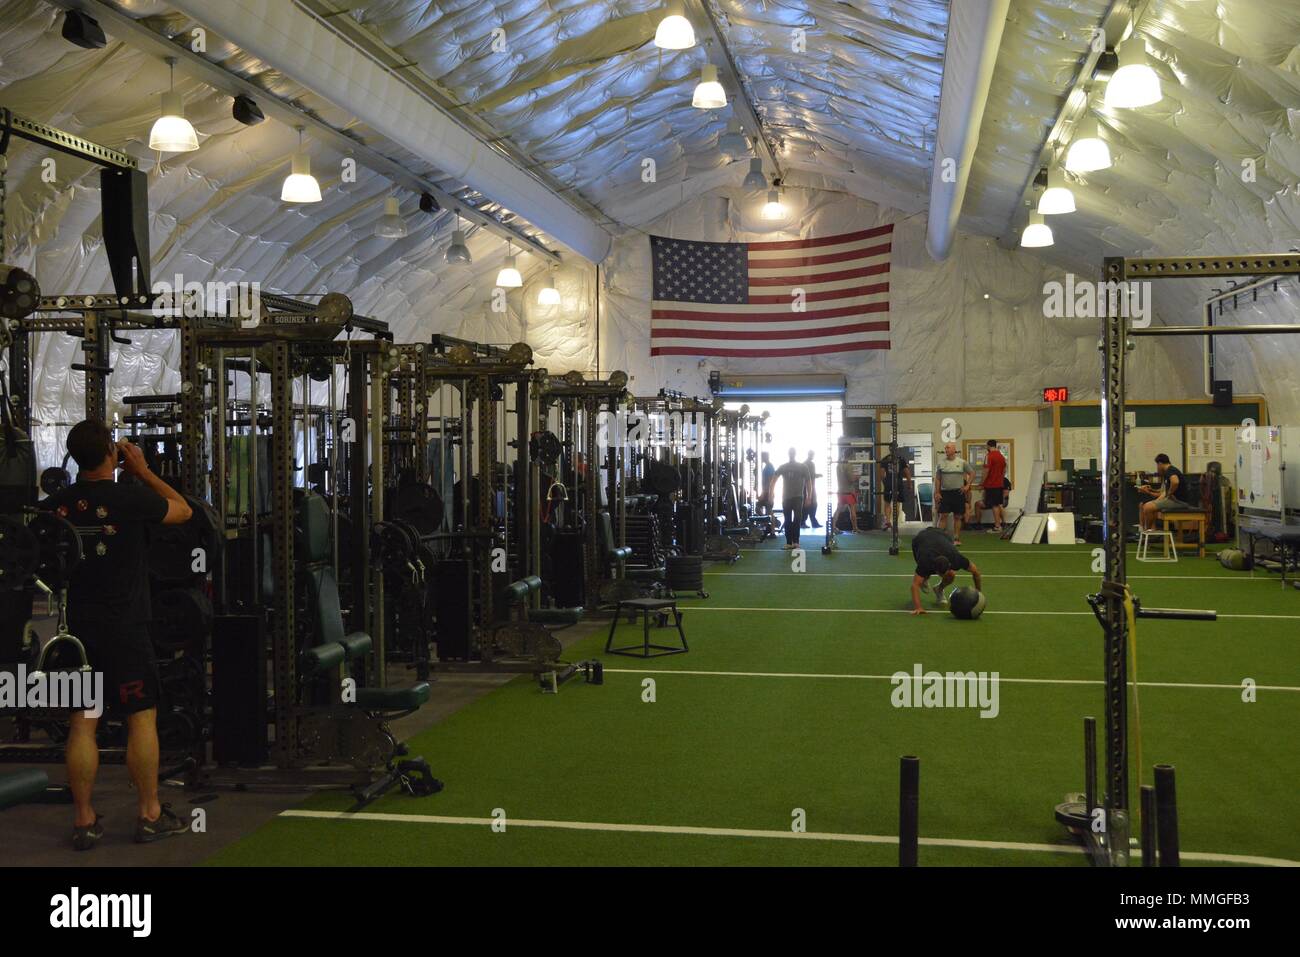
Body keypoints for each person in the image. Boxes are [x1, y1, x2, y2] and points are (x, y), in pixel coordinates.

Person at [41, 419, 193, 850]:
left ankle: (85, 821)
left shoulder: (58, 506)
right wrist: (142, 470)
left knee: (83, 723)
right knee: (140, 718)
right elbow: (183, 511)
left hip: (79, 632)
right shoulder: (131, 496)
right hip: (126, 630)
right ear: (113, 454)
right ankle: (149, 813)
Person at [910, 526, 982, 615]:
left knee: (951, 575)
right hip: (920, 540)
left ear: (949, 565)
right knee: (921, 577)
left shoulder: (956, 558)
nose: (943, 576)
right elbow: (914, 585)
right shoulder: (925, 560)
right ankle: (925, 577)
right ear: (936, 571)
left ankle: (939, 590)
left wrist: (978, 594)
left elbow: (976, 572)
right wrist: (918, 607)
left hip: (940, 534)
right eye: (941, 574)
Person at [934, 442, 974, 544]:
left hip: (958, 493)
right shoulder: (940, 463)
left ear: (953, 449)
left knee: (958, 516)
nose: (946, 449)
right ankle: (938, 539)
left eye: (948, 448)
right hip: (945, 493)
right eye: (945, 448)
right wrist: (937, 492)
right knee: (943, 516)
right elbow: (938, 479)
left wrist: (967, 485)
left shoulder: (962, 462)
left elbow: (972, 473)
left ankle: (956, 538)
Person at [773, 447, 811, 549]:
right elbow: (774, 478)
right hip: (786, 498)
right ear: (788, 454)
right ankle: (789, 542)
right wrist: (771, 492)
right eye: (790, 453)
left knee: (797, 519)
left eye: (792, 453)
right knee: (788, 519)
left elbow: (808, 482)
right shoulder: (783, 467)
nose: (791, 454)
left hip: (798, 497)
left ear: (795, 454)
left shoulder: (803, 467)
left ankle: (796, 542)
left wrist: (809, 496)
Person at [1138, 452, 1187, 530]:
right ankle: (1149, 531)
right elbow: (1164, 492)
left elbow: (1175, 482)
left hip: (1179, 502)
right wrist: (1151, 490)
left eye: (1157, 465)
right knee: (1147, 506)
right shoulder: (1169, 472)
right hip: (1175, 500)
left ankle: (1147, 531)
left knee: (1147, 507)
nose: (1157, 468)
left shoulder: (1170, 470)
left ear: (1160, 463)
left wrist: (1169, 494)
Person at [878, 448, 910, 530]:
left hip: (889, 484)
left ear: (889, 449)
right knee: (897, 504)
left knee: (887, 503)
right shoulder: (901, 459)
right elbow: (907, 472)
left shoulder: (885, 459)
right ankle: (894, 523)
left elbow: (881, 474)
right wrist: (909, 483)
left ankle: (888, 522)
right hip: (897, 484)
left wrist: (885, 483)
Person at [980, 440, 1009, 532]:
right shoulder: (1001, 457)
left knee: (994, 505)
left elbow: (986, 471)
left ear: (988, 446)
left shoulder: (989, 456)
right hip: (999, 484)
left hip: (991, 485)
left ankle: (997, 526)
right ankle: (1000, 524)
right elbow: (1004, 470)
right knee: (997, 505)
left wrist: (982, 483)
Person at [832, 438, 859, 534]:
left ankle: (833, 527)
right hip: (849, 491)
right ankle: (855, 528)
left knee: (838, 509)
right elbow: (851, 479)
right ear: (851, 455)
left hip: (840, 490)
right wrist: (857, 477)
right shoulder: (849, 465)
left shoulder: (838, 465)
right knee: (852, 510)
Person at [802, 450, 821, 529]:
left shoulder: (804, 463)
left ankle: (807, 521)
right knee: (812, 504)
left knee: (808, 505)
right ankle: (810, 521)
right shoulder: (810, 464)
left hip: (805, 486)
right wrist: (817, 475)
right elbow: (810, 475)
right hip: (810, 486)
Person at [758, 451, 776, 517]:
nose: (761, 458)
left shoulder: (769, 467)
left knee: (767, 510)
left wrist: (766, 494)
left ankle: (771, 524)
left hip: (768, 493)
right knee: (759, 508)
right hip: (767, 493)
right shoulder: (767, 467)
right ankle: (766, 522)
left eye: (762, 457)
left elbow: (770, 482)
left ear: (765, 457)